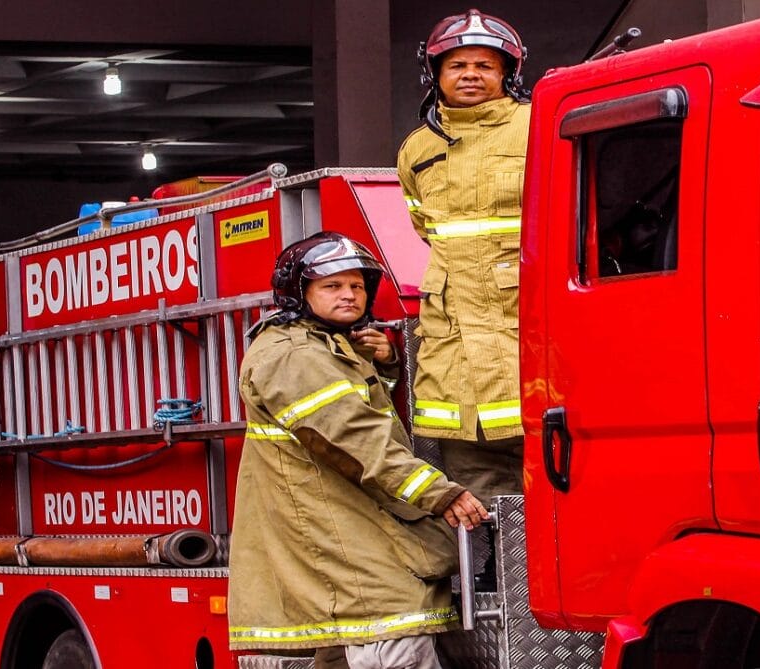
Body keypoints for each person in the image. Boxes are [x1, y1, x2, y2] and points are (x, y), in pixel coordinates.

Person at [228, 232, 488, 669]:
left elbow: (365, 412)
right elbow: (355, 438)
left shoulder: (323, 346)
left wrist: (383, 365)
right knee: (392, 620)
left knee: (350, 639)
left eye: (357, 286)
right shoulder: (294, 355)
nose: (349, 295)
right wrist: (440, 494)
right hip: (338, 532)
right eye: (332, 286)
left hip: (347, 526)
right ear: (299, 292)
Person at [397, 9, 531, 520]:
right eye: (456, 65)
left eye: (484, 65)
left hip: (528, 360)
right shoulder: (418, 149)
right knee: (479, 514)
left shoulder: (537, 125)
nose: (470, 74)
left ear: (507, 75)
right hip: (459, 377)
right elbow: (426, 229)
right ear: (435, 73)